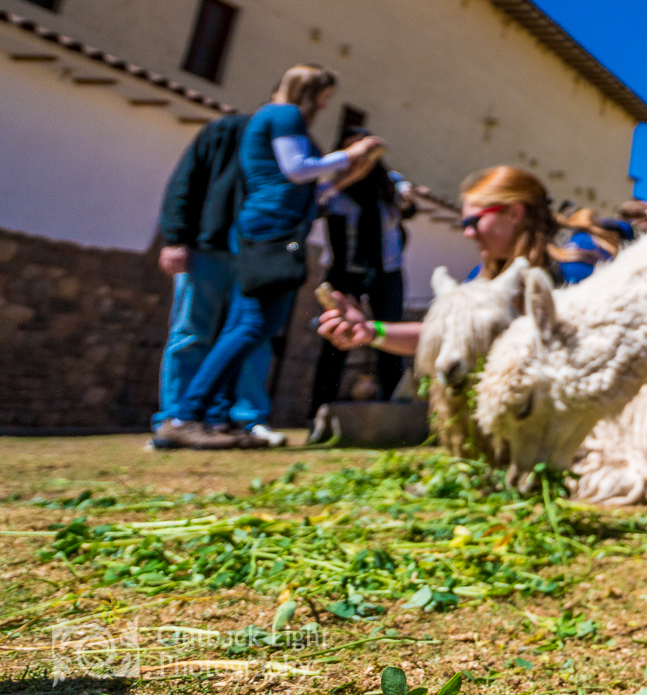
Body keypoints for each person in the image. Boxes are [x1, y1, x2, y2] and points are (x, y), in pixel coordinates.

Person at [155, 65, 383, 449]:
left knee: (248, 328)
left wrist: (341, 178)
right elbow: (296, 172)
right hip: (266, 233)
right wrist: (350, 154)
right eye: (325, 95)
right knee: (248, 326)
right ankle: (184, 415)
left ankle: (210, 416)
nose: (327, 105)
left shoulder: (275, 122)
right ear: (312, 92)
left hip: (265, 230)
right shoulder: (284, 115)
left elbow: (296, 185)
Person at [318, 167, 620, 358]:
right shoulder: (484, 277)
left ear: (514, 213)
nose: (467, 233)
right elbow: (444, 334)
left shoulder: (581, 260)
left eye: (474, 221)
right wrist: (371, 331)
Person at [152, 108, 284, 448]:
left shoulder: (287, 147)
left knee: (253, 334)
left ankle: (245, 419)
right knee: (190, 332)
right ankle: (176, 417)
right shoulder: (222, 132)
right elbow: (185, 182)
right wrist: (175, 238)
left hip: (255, 256)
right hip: (205, 248)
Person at [309, 128, 415, 411]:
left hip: (387, 272)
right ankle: (321, 411)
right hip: (345, 273)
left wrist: (407, 197)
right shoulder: (334, 190)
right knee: (337, 341)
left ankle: (395, 409)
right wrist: (346, 179)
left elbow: (408, 206)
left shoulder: (389, 186)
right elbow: (311, 207)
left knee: (390, 339)